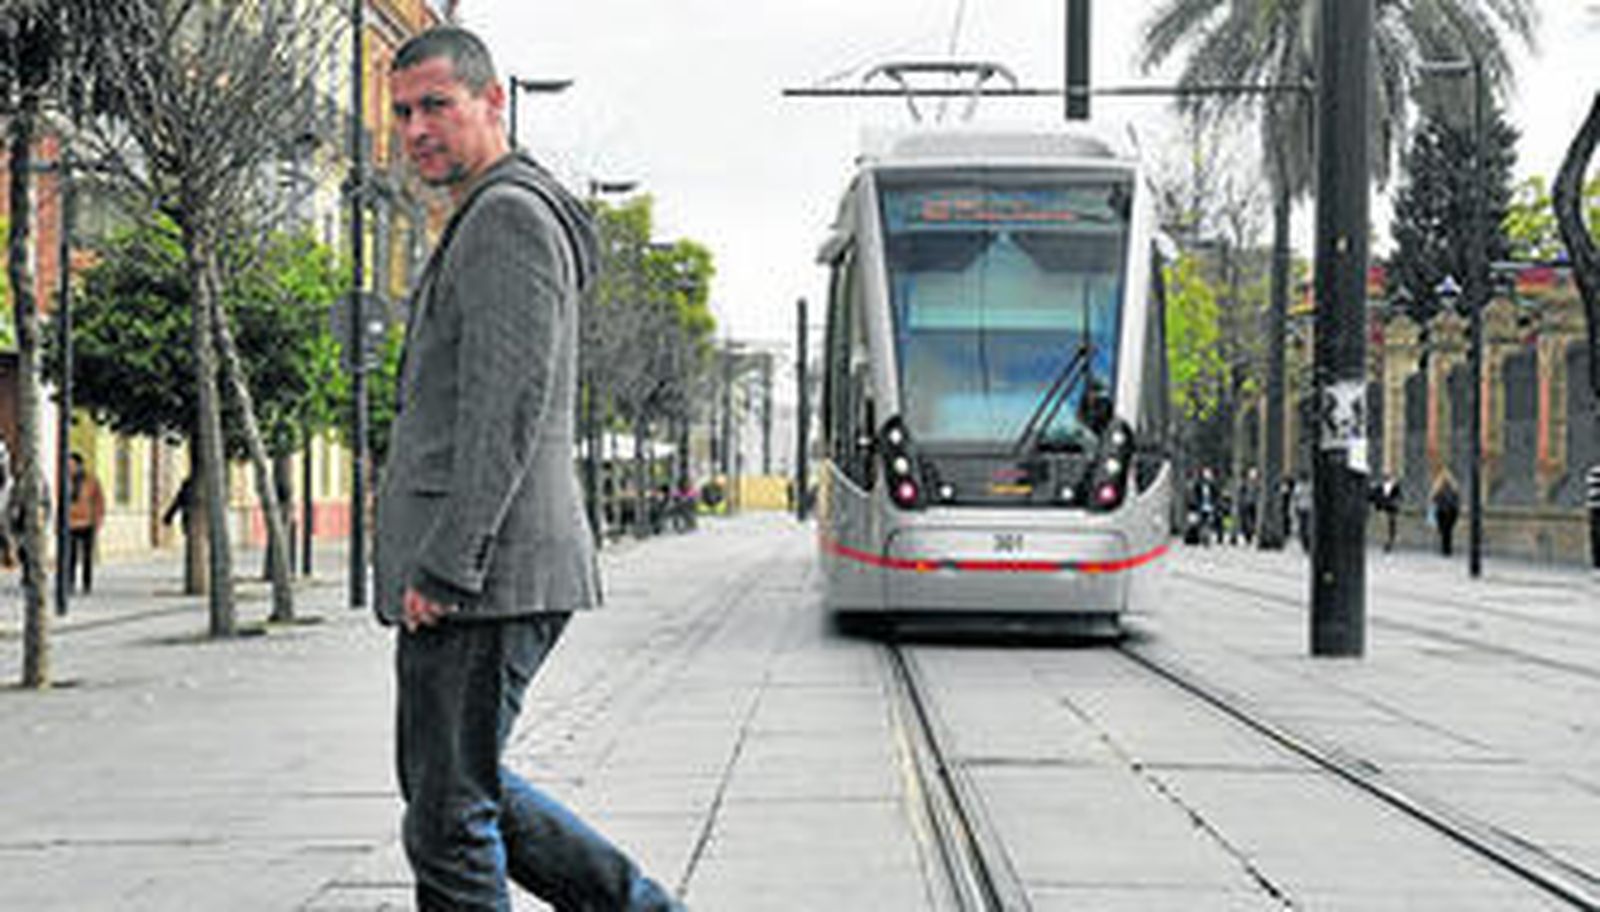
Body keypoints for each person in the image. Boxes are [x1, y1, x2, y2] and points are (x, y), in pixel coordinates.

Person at [371, 27, 684, 912]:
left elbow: (505, 409)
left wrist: (446, 562)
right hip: (490, 566)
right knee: (455, 788)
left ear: (492, 102)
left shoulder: (507, 217)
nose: (417, 129)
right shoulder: (490, 211)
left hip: (487, 572)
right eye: (403, 112)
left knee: (447, 818)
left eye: (437, 105)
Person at [66, 452, 105, 593]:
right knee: (70, 556)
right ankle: (69, 583)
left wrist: (98, 520)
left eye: (72, 464)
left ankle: (86, 583)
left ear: (79, 465)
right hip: (69, 523)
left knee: (87, 556)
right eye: (68, 464)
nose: (69, 466)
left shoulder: (91, 481)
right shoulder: (65, 480)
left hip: (87, 522)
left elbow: (99, 501)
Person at [1432, 474, 1461, 557]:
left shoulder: (1452, 489)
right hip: (1442, 512)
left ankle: (1446, 549)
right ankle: (1446, 548)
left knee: (1446, 531)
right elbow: (1434, 499)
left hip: (1449, 512)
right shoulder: (1439, 490)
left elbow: (1455, 501)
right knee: (1444, 531)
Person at [1373, 473, 1402, 552]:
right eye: (1391, 479)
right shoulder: (1379, 487)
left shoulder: (1396, 487)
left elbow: (1399, 497)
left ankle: (1390, 539)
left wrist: (1396, 504)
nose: (1393, 481)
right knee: (1384, 526)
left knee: (1391, 524)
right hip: (1383, 508)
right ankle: (1387, 543)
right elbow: (1376, 498)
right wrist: (1378, 508)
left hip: (1392, 509)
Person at [1235, 467, 1260, 546]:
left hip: (1253, 505)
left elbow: (1259, 494)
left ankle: (1250, 535)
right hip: (1245, 505)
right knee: (1245, 522)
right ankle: (1247, 537)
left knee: (1253, 521)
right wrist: (1241, 502)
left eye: (1254, 475)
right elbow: (1240, 493)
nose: (1253, 477)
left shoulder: (1257, 485)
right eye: (1252, 475)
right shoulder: (1244, 484)